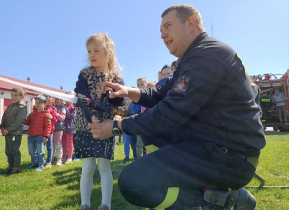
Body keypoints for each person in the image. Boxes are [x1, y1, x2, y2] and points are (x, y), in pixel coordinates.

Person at [88, 4, 266, 209]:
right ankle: (210, 193)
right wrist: (128, 91)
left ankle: (221, 202)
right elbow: (161, 95)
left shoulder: (207, 54)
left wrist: (117, 126)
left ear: (191, 23)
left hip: (232, 158)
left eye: (168, 26)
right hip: (217, 147)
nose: (163, 35)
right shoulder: (192, 57)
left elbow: (170, 111)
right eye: (161, 31)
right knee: (151, 134)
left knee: (133, 183)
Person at [73, 33, 126, 210]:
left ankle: (105, 204)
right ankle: (85, 204)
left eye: (96, 50)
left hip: (106, 127)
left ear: (108, 52)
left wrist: (112, 96)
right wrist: (91, 115)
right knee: (87, 166)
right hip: (86, 125)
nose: (92, 54)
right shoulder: (85, 74)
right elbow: (81, 96)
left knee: (104, 166)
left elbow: (121, 102)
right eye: (89, 51)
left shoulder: (116, 78)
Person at [0, 87, 27, 174]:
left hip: (15, 133)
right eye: (12, 95)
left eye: (15, 95)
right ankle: (10, 166)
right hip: (7, 132)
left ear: (22, 96)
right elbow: (4, 117)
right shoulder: (10, 106)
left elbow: (19, 121)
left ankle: (17, 167)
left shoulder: (22, 107)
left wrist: (9, 130)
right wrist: (2, 127)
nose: (13, 97)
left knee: (14, 150)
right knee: (8, 151)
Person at [24, 95, 51, 172]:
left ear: (45, 105)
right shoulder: (32, 113)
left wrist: (46, 136)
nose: (37, 104)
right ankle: (35, 163)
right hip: (31, 136)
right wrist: (24, 120)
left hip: (40, 136)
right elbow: (28, 123)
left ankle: (41, 165)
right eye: (36, 102)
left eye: (40, 103)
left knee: (40, 151)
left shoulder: (46, 114)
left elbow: (48, 126)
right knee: (31, 151)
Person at [44, 95, 58, 168]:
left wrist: (51, 117)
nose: (48, 98)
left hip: (49, 130)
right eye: (46, 96)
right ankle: (41, 161)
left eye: (49, 97)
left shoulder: (53, 109)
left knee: (49, 146)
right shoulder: (40, 107)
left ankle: (49, 161)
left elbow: (55, 120)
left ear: (52, 99)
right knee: (40, 146)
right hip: (41, 130)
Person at [62, 91, 76, 164]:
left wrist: (65, 109)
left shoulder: (74, 108)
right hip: (62, 127)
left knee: (70, 143)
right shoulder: (63, 106)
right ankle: (63, 156)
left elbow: (70, 116)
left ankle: (69, 157)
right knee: (63, 143)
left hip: (69, 127)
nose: (68, 100)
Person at [53, 98, 66, 166]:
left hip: (58, 128)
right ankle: (51, 158)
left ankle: (59, 159)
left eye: (60, 100)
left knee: (58, 144)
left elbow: (62, 118)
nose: (58, 101)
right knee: (51, 145)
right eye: (56, 99)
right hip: (51, 128)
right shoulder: (52, 107)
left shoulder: (62, 108)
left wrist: (56, 114)